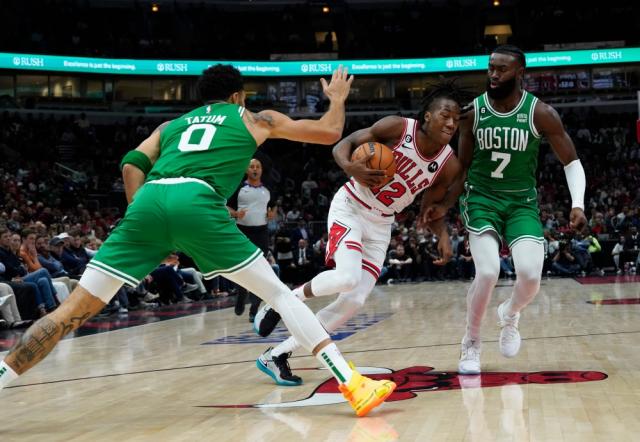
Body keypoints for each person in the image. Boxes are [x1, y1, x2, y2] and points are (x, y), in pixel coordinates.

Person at [0, 65, 395, 417]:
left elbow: (131, 162)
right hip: (197, 199)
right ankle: (354, 385)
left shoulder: (170, 127)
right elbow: (329, 133)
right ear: (238, 95)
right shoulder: (253, 117)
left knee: (70, 311)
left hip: (150, 202)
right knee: (280, 296)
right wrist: (337, 99)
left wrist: (143, 209)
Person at [253, 80, 471, 385]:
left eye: (456, 117)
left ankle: (276, 355)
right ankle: (283, 301)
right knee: (347, 277)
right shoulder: (397, 128)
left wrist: (442, 233)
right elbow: (343, 145)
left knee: (353, 301)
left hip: (381, 224)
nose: (451, 122)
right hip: (351, 206)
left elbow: (430, 209)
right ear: (427, 117)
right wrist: (350, 167)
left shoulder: (448, 165)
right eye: (445, 115)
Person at [422, 45, 587, 374]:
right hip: (481, 198)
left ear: (520, 72)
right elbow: (464, 165)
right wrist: (445, 204)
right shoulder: (473, 113)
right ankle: (471, 341)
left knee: (529, 276)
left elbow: (571, 161)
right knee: (486, 272)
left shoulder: (540, 113)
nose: (494, 75)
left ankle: (510, 314)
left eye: (502, 69)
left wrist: (578, 203)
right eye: (490, 68)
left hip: (522, 202)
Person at [228, 158, 277, 321]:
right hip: (242, 231)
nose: (255, 169)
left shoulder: (268, 189)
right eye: (251, 167)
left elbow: (274, 205)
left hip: (261, 232)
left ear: (261, 170)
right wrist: (235, 214)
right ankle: (241, 294)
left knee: (261, 270)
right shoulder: (239, 188)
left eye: (258, 166)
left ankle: (254, 309)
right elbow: (226, 206)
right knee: (243, 268)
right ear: (246, 170)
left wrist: (272, 213)